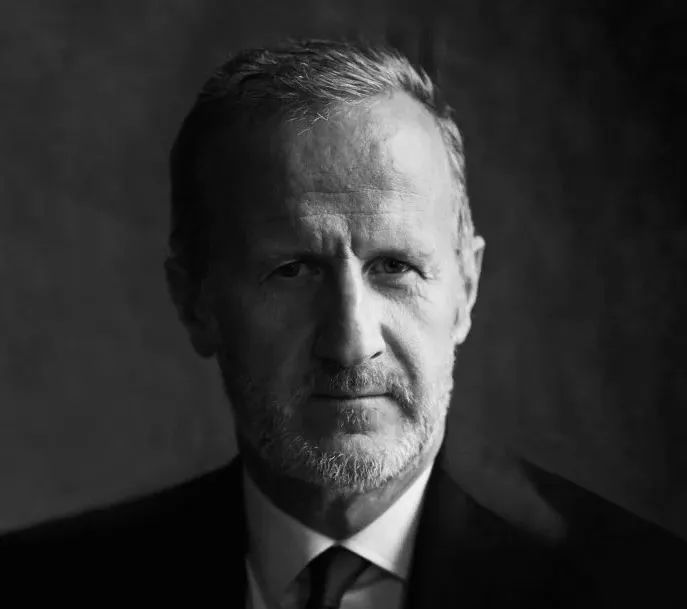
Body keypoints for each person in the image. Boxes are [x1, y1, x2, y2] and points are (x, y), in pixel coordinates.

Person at [1, 39, 685, 608]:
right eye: (293, 270)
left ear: (466, 289)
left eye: (394, 266)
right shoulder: (37, 588)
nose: (351, 343)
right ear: (194, 301)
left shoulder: (646, 589)